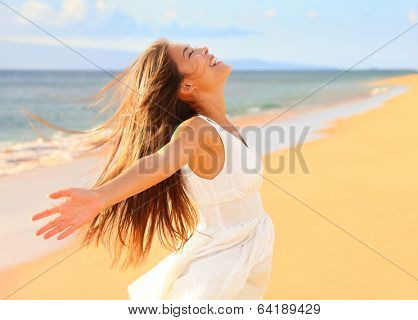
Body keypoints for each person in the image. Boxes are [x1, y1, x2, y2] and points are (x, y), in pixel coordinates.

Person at [31, 37, 275, 299]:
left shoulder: (225, 126)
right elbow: (158, 163)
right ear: (186, 85)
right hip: (221, 257)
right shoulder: (198, 130)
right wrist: (101, 196)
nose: (204, 49)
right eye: (190, 53)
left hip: (251, 245)